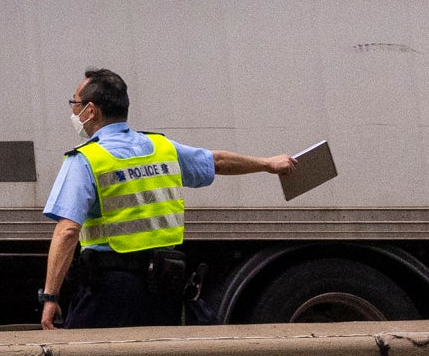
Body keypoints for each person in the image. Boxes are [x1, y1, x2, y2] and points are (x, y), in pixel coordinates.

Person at [43, 65, 300, 330]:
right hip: (164, 286)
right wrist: (267, 163)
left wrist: (50, 296)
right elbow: (218, 161)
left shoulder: (86, 159)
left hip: (110, 291)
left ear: (91, 110)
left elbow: (68, 230)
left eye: (75, 103)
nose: (73, 110)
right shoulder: (162, 148)